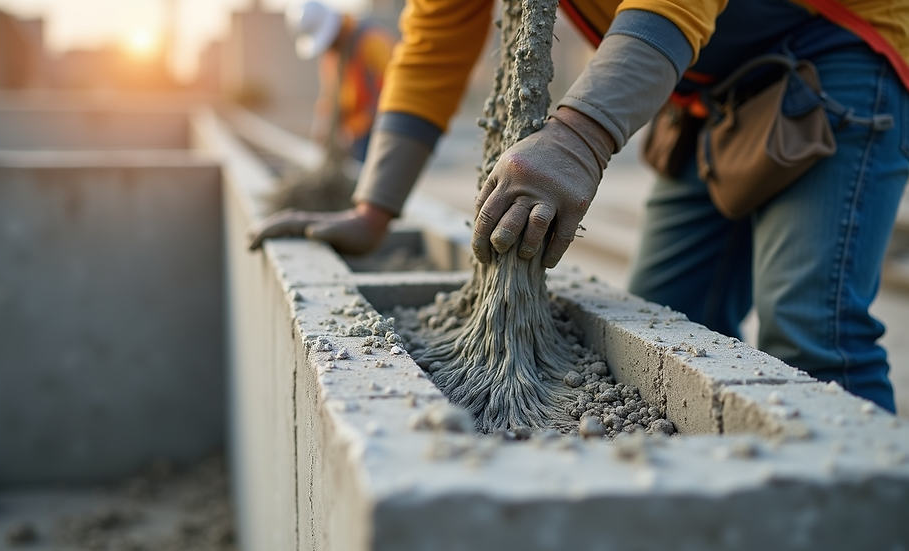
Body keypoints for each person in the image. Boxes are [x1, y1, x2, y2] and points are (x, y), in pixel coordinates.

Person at [256, 0, 909, 413]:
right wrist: (374, 209)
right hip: (713, 84)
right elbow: (436, 36)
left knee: (811, 329)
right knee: (663, 324)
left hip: (839, 45)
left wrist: (579, 136)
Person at [285, 0, 396, 162]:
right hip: (355, 135)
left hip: (379, 130)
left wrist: (362, 123)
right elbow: (330, 95)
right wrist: (323, 125)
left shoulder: (371, 41)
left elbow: (396, 87)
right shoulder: (333, 53)